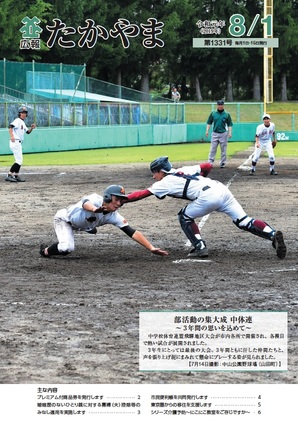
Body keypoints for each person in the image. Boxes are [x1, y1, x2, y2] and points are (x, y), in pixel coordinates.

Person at [124, 156, 286, 260]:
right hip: (220, 189)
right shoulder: (183, 170)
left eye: (155, 173)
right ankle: (272, 235)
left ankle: (200, 247)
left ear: (161, 171)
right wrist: (201, 180)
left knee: (184, 216)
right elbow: (207, 165)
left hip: (208, 197)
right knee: (244, 221)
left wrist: (122, 199)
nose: (154, 177)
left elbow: (141, 194)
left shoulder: (164, 182)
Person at [39, 185, 168, 258]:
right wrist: (95, 210)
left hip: (83, 223)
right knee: (67, 248)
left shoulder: (114, 216)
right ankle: (45, 251)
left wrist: (151, 248)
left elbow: (132, 232)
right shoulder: (95, 199)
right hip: (64, 220)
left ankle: (88, 227)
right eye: (116, 199)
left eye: (121, 201)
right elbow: (85, 203)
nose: (119, 203)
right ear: (107, 197)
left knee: (91, 223)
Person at [5, 106, 36, 182]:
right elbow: (10, 127)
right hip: (15, 141)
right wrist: (12, 136)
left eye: (25, 113)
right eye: (23, 113)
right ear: (19, 114)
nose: (24, 114)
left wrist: (31, 128)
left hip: (18, 143)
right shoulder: (17, 120)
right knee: (18, 161)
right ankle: (9, 175)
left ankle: (16, 176)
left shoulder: (22, 122)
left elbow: (27, 132)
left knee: (19, 160)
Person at [206, 99, 233, 168]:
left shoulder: (226, 114)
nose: (220, 106)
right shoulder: (213, 113)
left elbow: (230, 124)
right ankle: (210, 162)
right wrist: (207, 131)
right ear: (217, 105)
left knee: (223, 149)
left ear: (223, 105)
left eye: (221, 105)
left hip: (223, 133)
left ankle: (223, 162)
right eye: (219, 105)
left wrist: (230, 132)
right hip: (215, 133)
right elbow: (209, 122)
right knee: (213, 148)